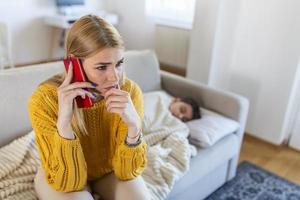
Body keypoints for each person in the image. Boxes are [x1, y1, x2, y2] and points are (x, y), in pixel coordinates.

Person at [28, 15, 150, 200]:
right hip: (60, 173)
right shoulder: (44, 99)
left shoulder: (129, 92)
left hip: (108, 170)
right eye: (102, 67)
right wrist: (64, 125)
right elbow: (68, 183)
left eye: (118, 64)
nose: (114, 78)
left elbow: (128, 172)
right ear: (74, 64)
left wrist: (134, 128)